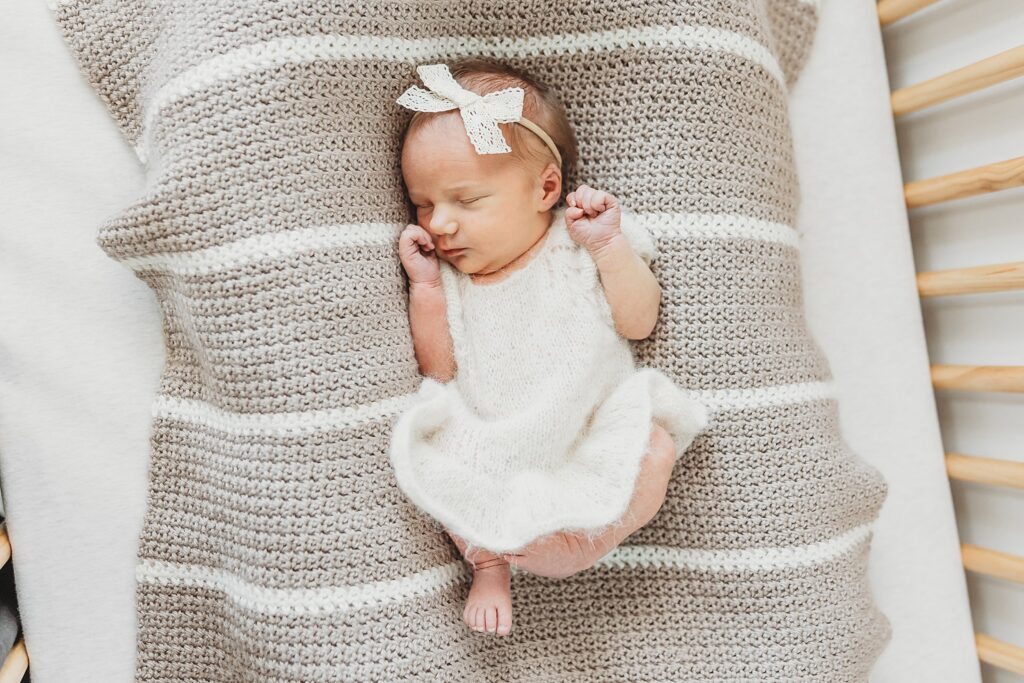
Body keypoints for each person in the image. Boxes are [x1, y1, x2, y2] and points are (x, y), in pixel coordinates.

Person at [388, 59, 709, 638]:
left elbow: (638, 323)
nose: (441, 224)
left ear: (547, 188)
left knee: (654, 448)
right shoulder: (452, 279)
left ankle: (590, 541)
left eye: (467, 200)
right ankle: (489, 566)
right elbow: (438, 369)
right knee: (446, 466)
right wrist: (426, 288)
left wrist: (609, 247)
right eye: (424, 204)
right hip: (492, 435)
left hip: (586, 429)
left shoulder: (580, 244)